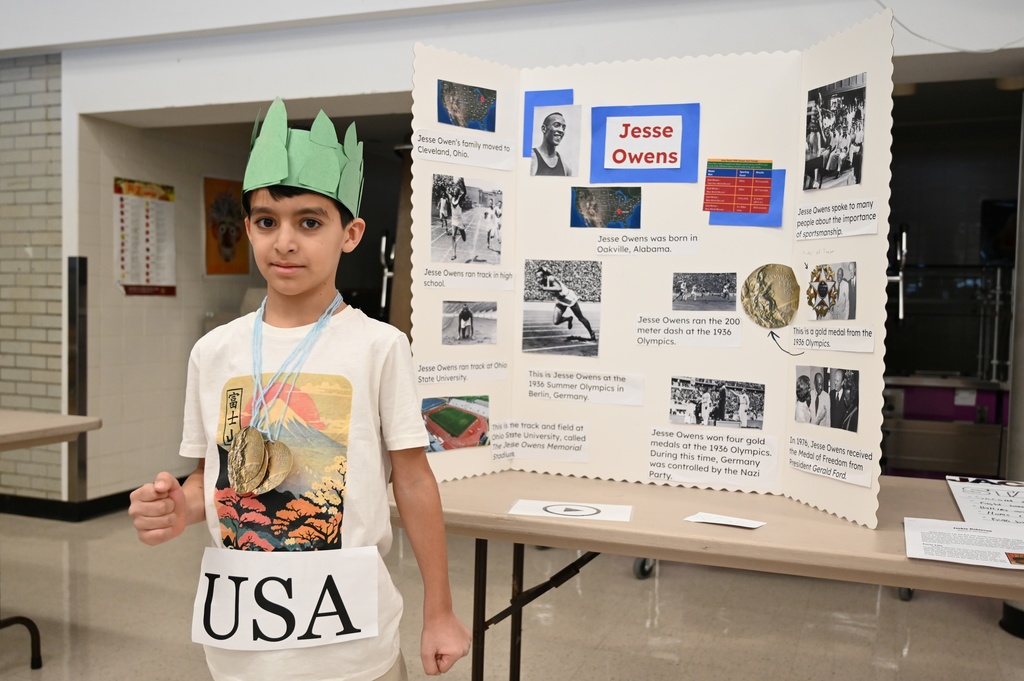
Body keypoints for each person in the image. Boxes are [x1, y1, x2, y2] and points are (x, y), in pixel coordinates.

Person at [128, 98, 470, 681]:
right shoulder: (214, 353)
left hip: (354, 649)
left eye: (309, 222)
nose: (285, 242)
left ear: (350, 233)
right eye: (267, 222)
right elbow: (211, 479)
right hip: (241, 646)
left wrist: (439, 611)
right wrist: (174, 507)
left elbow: (412, 479)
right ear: (250, 230)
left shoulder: (380, 347)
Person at [536, 267, 597, 341]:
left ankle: (591, 333)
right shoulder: (543, 283)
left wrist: (544, 289)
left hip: (568, 298)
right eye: (537, 278)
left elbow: (559, 288)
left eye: (539, 277)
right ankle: (569, 318)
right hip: (560, 300)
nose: (537, 280)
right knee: (556, 321)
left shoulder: (551, 279)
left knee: (580, 317)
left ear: (545, 276)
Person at [530, 112, 573, 176]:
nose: (561, 130)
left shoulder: (566, 164)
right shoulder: (531, 158)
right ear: (544, 129)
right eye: (556, 125)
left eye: (563, 128)